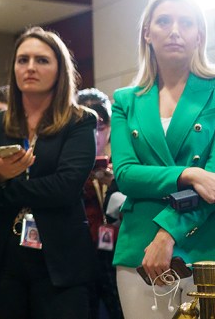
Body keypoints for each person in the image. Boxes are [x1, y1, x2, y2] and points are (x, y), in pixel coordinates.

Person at [110, 0, 215, 318]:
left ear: (199, 35)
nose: (175, 30)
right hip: (140, 246)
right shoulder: (125, 100)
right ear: (147, 33)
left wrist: (167, 234)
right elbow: (125, 175)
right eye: (164, 21)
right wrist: (188, 173)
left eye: (186, 22)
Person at [0, 26, 98, 319]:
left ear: (60, 69)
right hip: (2, 259)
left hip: (61, 262)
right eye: (23, 60)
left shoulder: (79, 121)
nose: (30, 67)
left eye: (42, 60)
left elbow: (66, 187)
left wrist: (1, 186)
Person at [77, 87, 123, 319]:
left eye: (100, 127)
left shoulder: (124, 168)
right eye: (86, 127)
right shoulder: (61, 171)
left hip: (114, 259)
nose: (94, 134)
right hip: (75, 261)